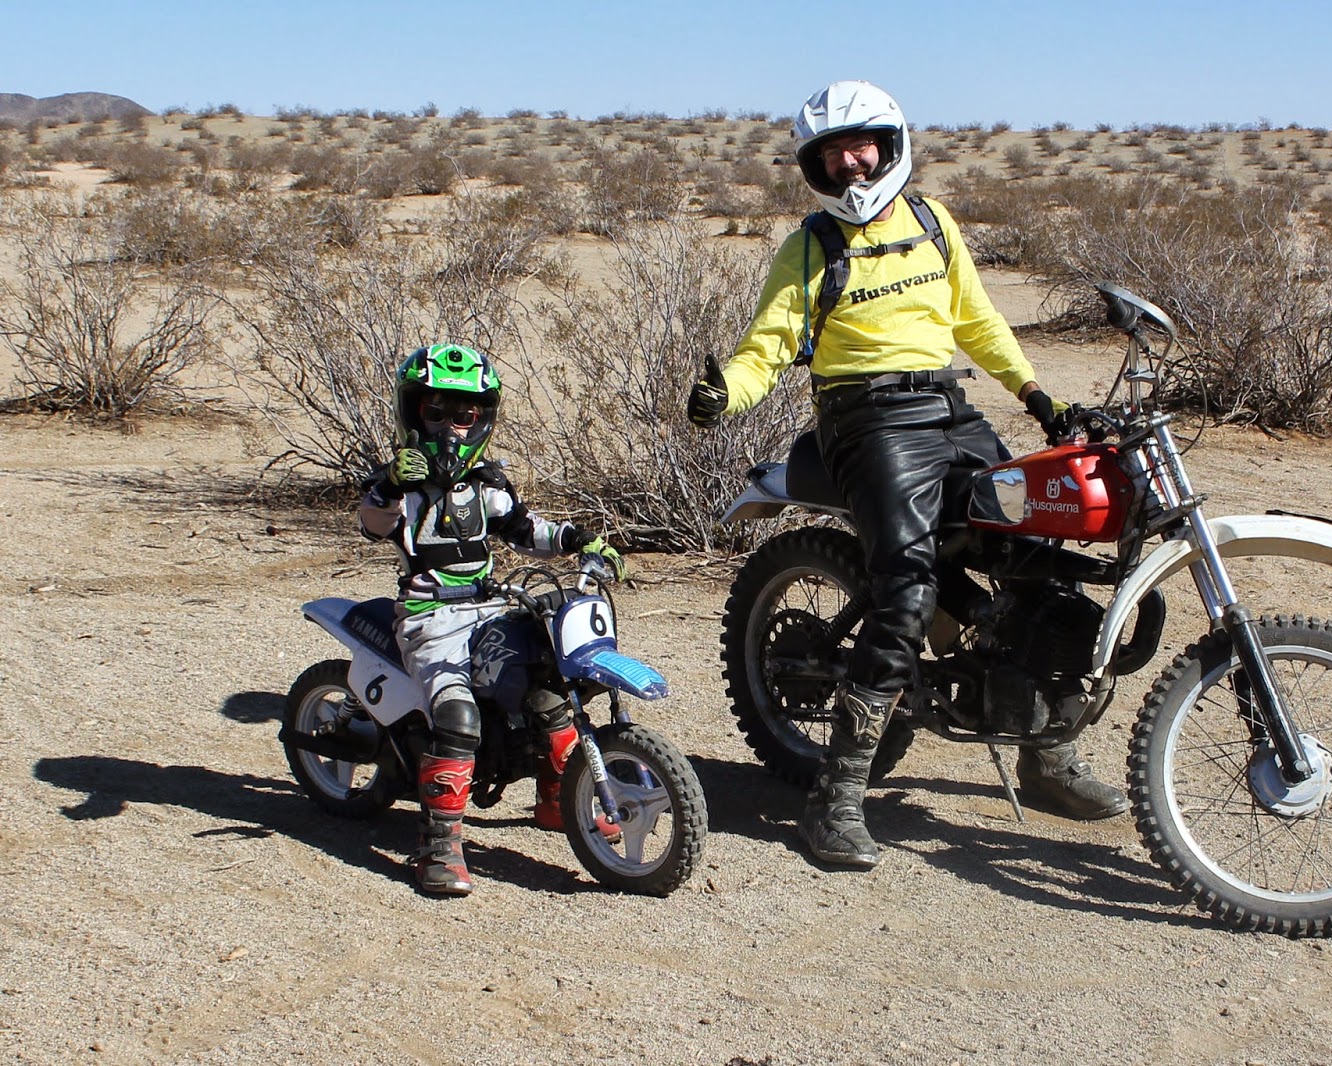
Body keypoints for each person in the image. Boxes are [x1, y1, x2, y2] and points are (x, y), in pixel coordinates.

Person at [686, 80, 1127, 869]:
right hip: (865, 420)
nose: (850, 164)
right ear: (818, 167)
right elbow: (769, 346)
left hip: (948, 410)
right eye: (832, 154)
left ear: (889, 146)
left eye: (860, 147)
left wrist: (1039, 398)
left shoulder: (932, 222)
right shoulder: (811, 246)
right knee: (907, 590)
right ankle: (837, 798)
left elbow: (977, 320)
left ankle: (1048, 754)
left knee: (1037, 550)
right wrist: (727, 394)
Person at [360, 343, 626, 895]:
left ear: (482, 418)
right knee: (457, 717)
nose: (453, 429)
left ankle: (558, 802)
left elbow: (526, 530)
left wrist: (577, 539)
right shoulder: (403, 487)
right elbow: (373, 523)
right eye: (437, 413)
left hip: (487, 608)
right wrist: (389, 482)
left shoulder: (487, 483)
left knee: (548, 691)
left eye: (466, 415)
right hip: (428, 617)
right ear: (413, 413)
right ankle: (440, 842)